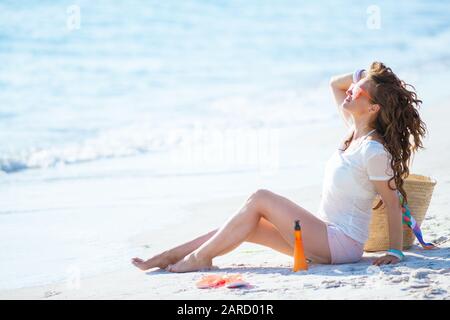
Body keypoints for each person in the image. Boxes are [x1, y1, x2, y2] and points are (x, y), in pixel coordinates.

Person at [132, 61, 427, 272]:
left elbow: (390, 203)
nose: (350, 91)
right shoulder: (353, 131)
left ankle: (197, 259)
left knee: (261, 197)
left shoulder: (373, 150)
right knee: (247, 224)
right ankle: (170, 255)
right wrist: (363, 76)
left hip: (341, 244)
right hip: (323, 234)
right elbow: (333, 84)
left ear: (374, 108)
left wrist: (395, 252)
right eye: (354, 87)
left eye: (359, 92)